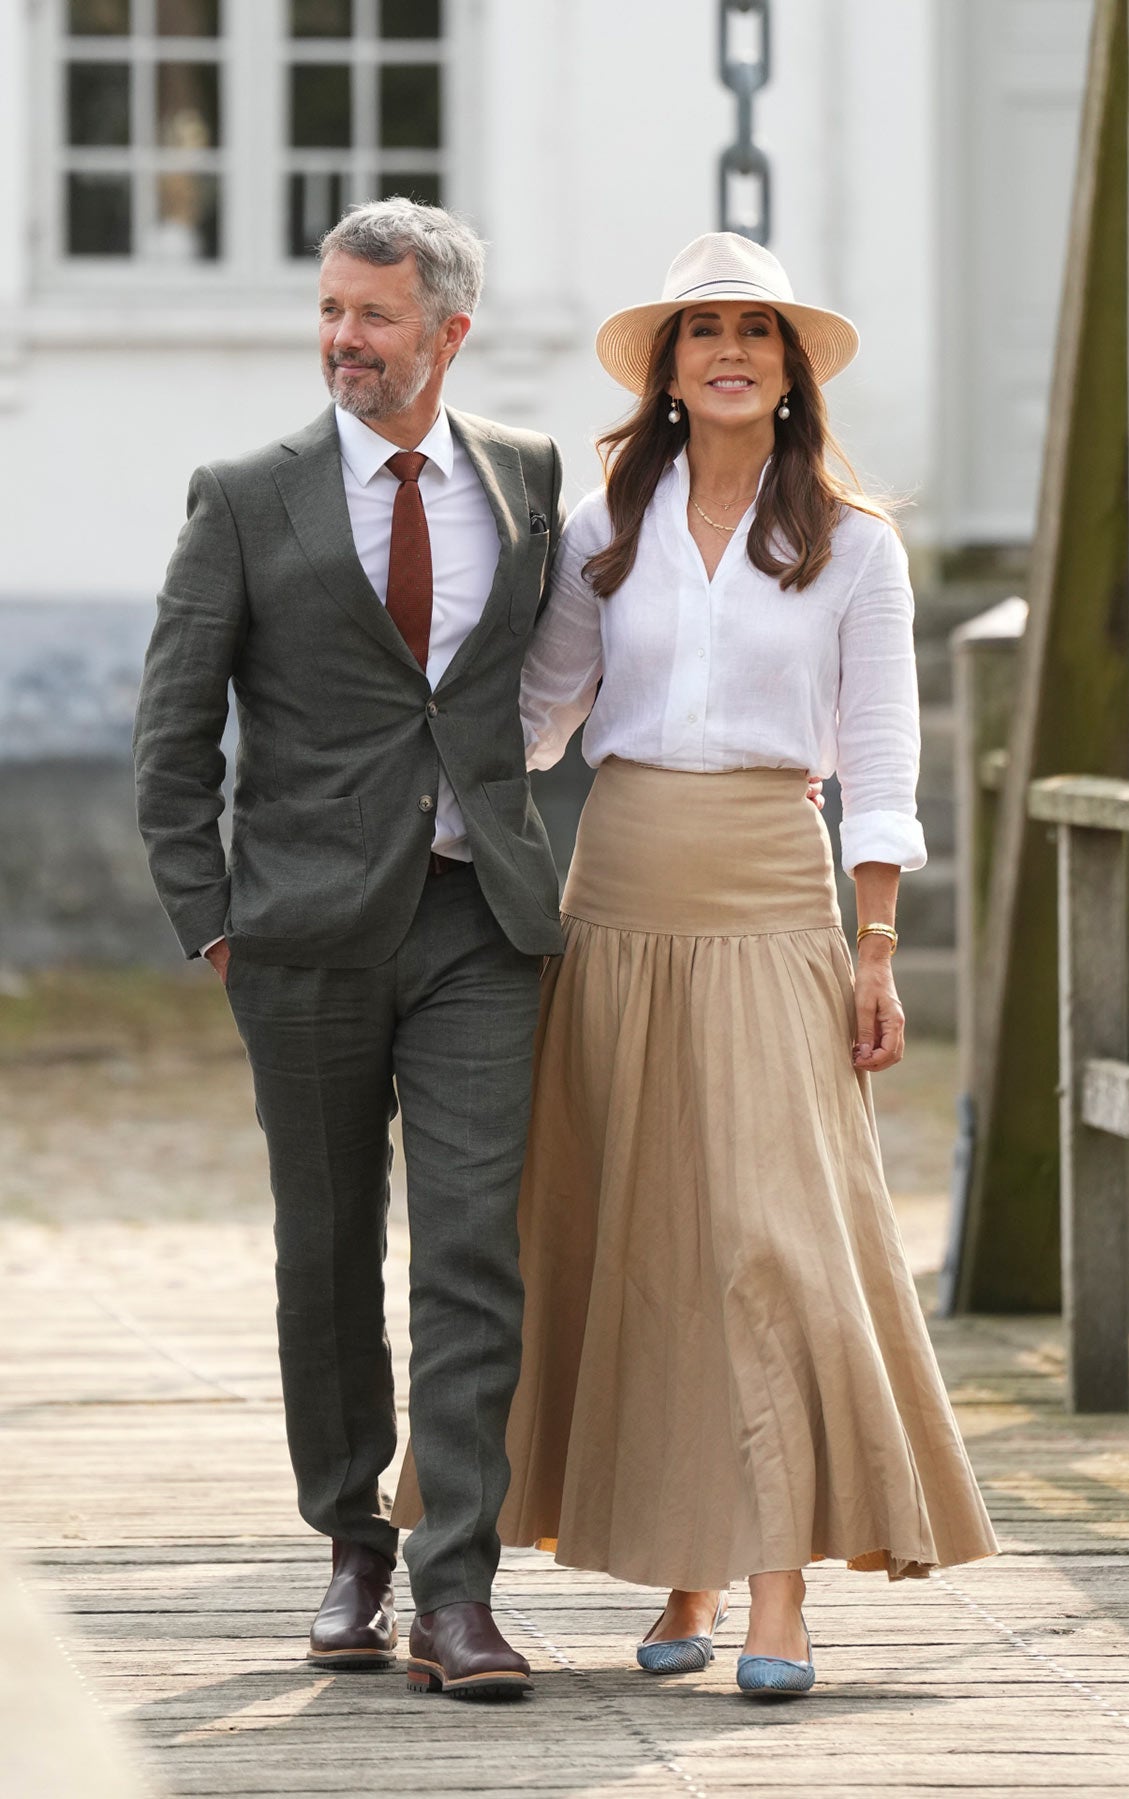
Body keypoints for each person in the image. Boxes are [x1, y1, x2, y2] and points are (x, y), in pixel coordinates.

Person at [398, 232, 999, 1697]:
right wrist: (413, 831)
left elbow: (881, 758)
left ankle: (778, 1592)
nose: (730, 349)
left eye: (756, 329)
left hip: (776, 894)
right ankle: (692, 1568)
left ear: (791, 370)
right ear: (669, 368)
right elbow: (540, 710)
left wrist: (875, 946)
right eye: (703, 328)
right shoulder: (610, 518)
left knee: (766, 1242)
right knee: (649, 1234)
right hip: (618, 890)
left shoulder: (857, 543)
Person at [133, 198, 566, 1700]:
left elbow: (551, 679)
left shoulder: (525, 476)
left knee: (471, 1246)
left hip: (478, 924)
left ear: (449, 332)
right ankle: (350, 1542)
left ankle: (458, 1586)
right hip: (300, 935)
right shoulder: (247, 497)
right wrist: (211, 921)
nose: (344, 339)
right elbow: (173, 733)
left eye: (375, 316)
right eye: (331, 310)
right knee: (324, 1247)